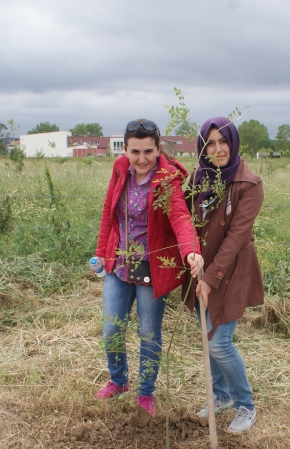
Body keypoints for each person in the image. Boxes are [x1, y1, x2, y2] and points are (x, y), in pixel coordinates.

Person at [94, 118, 204, 415]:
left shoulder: (168, 178)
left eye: (148, 151)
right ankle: (118, 381)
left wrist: (191, 251)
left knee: (149, 333)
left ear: (158, 149)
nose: (141, 159)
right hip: (119, 262)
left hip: (152, 266)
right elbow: (109, 212)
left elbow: (180, 216)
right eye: (135, 152)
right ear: (126, 150)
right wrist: (101, 253)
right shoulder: (119, 171)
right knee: (111, 327)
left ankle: (145, 392)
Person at [184, 116, 264, 435]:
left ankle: (245, 405)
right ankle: (220, 396)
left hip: (230, 271)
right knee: (207, 335)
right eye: (210, 144)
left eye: (223, 141)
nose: (218, 150)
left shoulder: (249, 184)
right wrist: (191, 256)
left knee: (219, 343)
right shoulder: (198, 180)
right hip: (200, 267)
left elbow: (235, 238)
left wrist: (210, 278)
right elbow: (187, 221)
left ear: (233, 142)